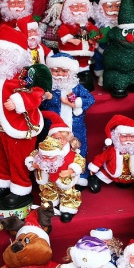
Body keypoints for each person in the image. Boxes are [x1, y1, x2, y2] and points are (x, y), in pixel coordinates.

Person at [0, 25, 44, 209]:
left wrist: (19, 100)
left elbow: (37, 92)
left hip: (17, 126)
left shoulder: (24, 76)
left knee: (17, 159)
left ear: (14, 54)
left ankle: (20, 189)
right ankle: (3, 184)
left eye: (0, 53)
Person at [41, 52, 95, 186]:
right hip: (52, 127)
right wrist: (44, 98)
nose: (59, 74)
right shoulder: (48, 88)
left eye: (64, 71)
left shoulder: (77, 87)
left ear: (70, 72)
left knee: (79, 148)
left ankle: (80, 174)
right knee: (53, 150)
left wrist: (75, 103)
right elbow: (38, 104)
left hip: (75, 126)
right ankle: (52, 174)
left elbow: (90, 99)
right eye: (56, 71)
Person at [25, 118, 85, 223]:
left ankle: (68, 208)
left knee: (68, 192)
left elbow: (80, 162)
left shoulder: (71, 153)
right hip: (47, 179)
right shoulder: (43, 150)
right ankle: (50, 204)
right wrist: (34, 164)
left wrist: (71, 171)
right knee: (48, 192)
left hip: (63, 180)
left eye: (63, 139)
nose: (60, 141)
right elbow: (32, 157)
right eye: (57, 138)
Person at [57, 0, 100, 91]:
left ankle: (84, 72)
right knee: (71, 62)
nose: (79, 10)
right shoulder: (68, 24)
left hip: (86, 51)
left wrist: (94, 38)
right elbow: (62, 32)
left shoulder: (88, 24)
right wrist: (71, 40)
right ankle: (72, 74)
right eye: (75, 7)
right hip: (71, 50)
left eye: (82, 7)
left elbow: (95, 32)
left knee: (84, 62)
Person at [88, 114, 134, 193]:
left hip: (133, 176)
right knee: (103, 175)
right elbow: (101, 157)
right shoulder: (113, 150)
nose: (128, 140)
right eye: (124, 137)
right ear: (117, 137)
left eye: (131, 137)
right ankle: (94, 179)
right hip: (113, 174)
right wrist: (94, 167)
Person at [92, 0, 122, 86]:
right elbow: (91, 36)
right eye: (109, 6)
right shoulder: (99, 25)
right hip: (102, 50)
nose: (114, 10)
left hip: (119, 52)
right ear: (101, 8)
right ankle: (101, 74)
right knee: (99, 59)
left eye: (117, 6)